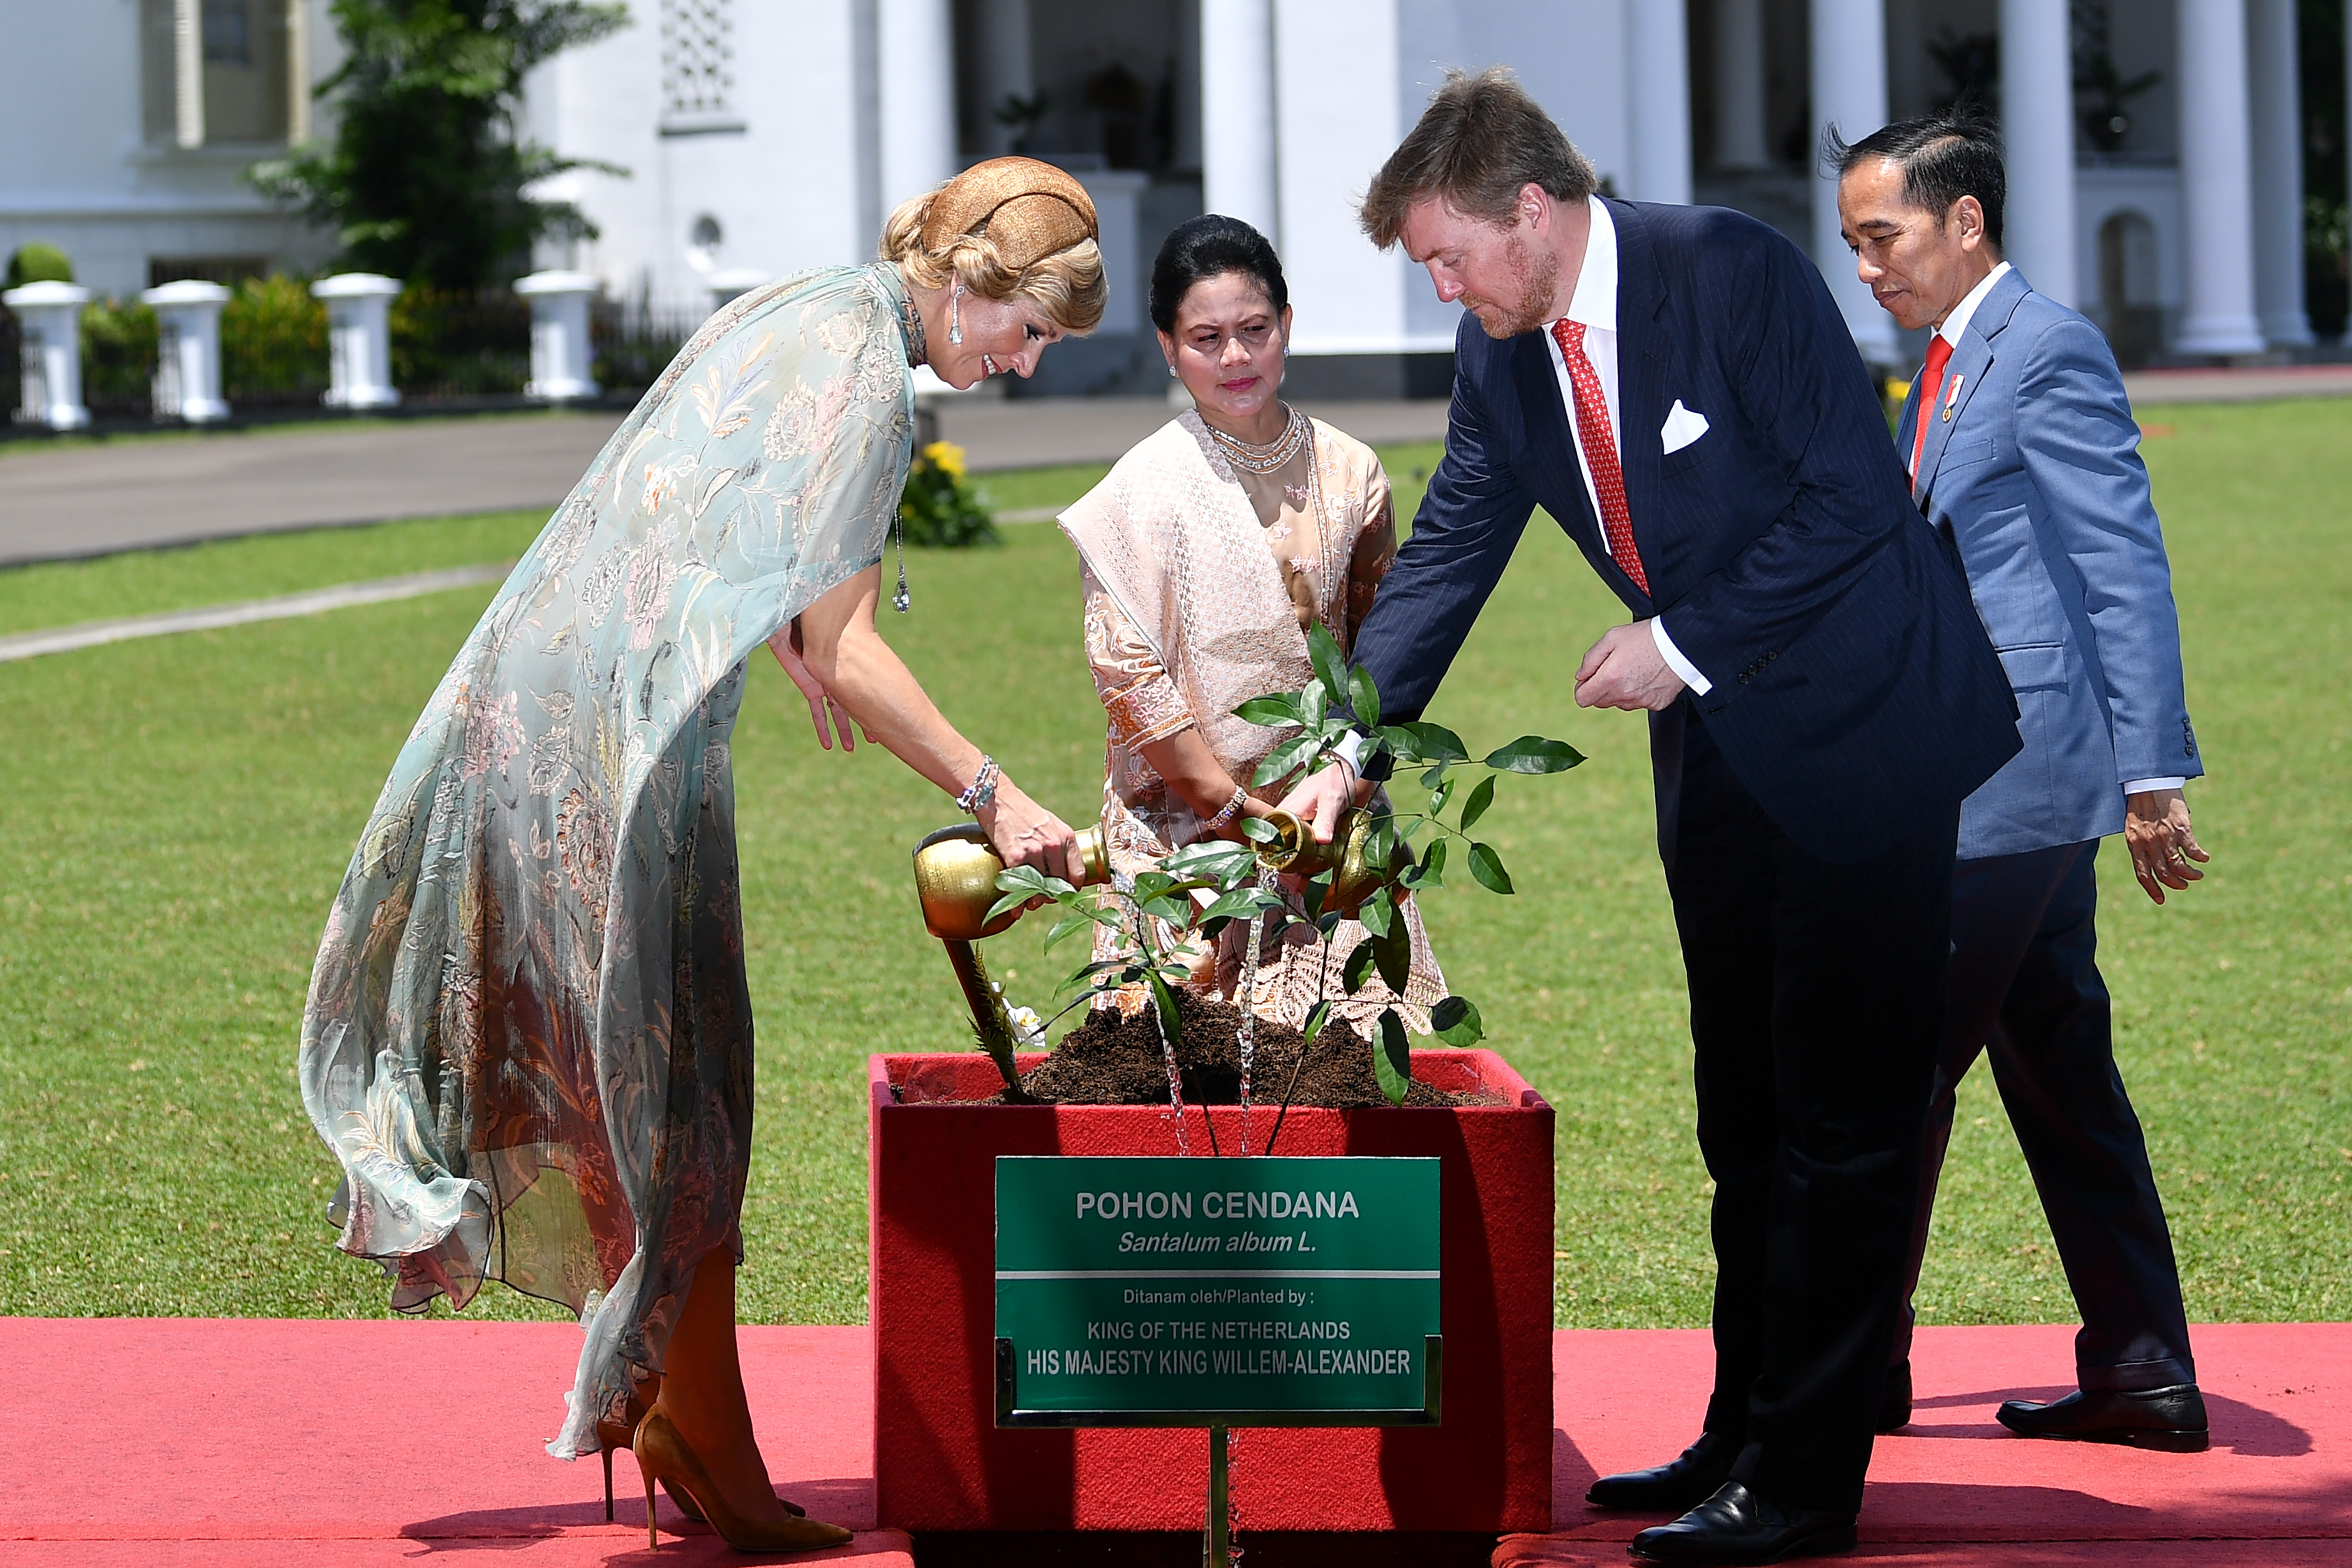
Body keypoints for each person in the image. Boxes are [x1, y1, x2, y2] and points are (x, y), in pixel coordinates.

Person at [298, 158, 1104, 1553]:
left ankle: (679, 1405)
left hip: (553, 697)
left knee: (656, 1072)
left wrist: (782, 623)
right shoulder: (872, 380)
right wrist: (997, 794)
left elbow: (717, 498)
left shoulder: (812, 303)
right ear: (971, 285)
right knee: (683, 1080)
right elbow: (851, 649)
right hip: (612, 735)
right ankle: (691, 1426)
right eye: (1028, 330)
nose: (1025, 363)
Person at [1279, 69, 2022, 1563]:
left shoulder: (1727, 269)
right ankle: (1742, 1427)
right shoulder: (1499, 352)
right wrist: (1344, 743)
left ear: (1529, 211)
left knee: (1841, 1120)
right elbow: (1450, 547)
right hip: (1721, 758)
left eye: (1447, 256)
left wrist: (1675, 643)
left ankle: (1802, 1479)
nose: (1440, 289)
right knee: (1740, 1110)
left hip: (1864, 732)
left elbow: (1847, 502)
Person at [1836, 112, 2210, 1450]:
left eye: (1882, 238)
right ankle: (2142, 1370)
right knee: (2058, 1068)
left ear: (1965, 221)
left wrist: (2152, 773)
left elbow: (2122, 561)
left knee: (1889, 1073)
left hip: (2016, 779)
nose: (1866, 268)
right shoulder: (1940, 359)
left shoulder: (2044, 347)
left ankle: (1843, 1377)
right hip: (1996, 775)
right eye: (1852, 244)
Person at [1060, 215, 1444, 1042]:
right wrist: (1234, 812)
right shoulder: (1139, 490)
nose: (1235, 357)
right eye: (1206, 339)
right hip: (1182, 833)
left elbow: (1380, 652)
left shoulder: (1352, 471)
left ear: (1288, 325)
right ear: (1168, 347)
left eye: (1255, 329)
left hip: (1328, 822)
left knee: (1341, 1078)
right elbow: (1128, 678)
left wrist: (1334, 802)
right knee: (1176, 1081)